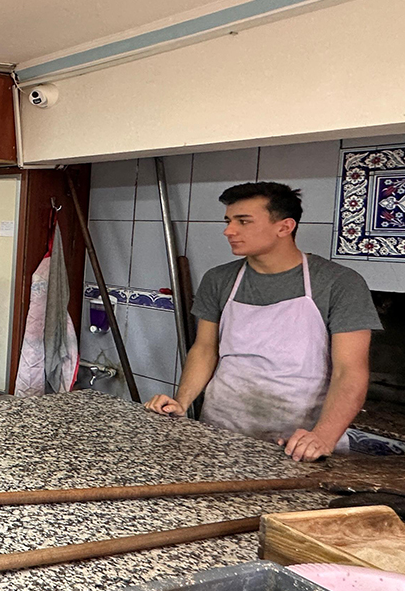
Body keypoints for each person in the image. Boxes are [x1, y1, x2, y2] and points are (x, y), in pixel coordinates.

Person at [145, 182, 380, 462]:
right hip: (221, 430)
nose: (229, 231)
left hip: (300, 443)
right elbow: (205, 349)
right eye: (228, 221)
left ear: (285, 227)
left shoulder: (339, 283)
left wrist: (323, 436)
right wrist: (181, 402)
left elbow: (349, 371)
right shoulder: (218, 279)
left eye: (243, 221)